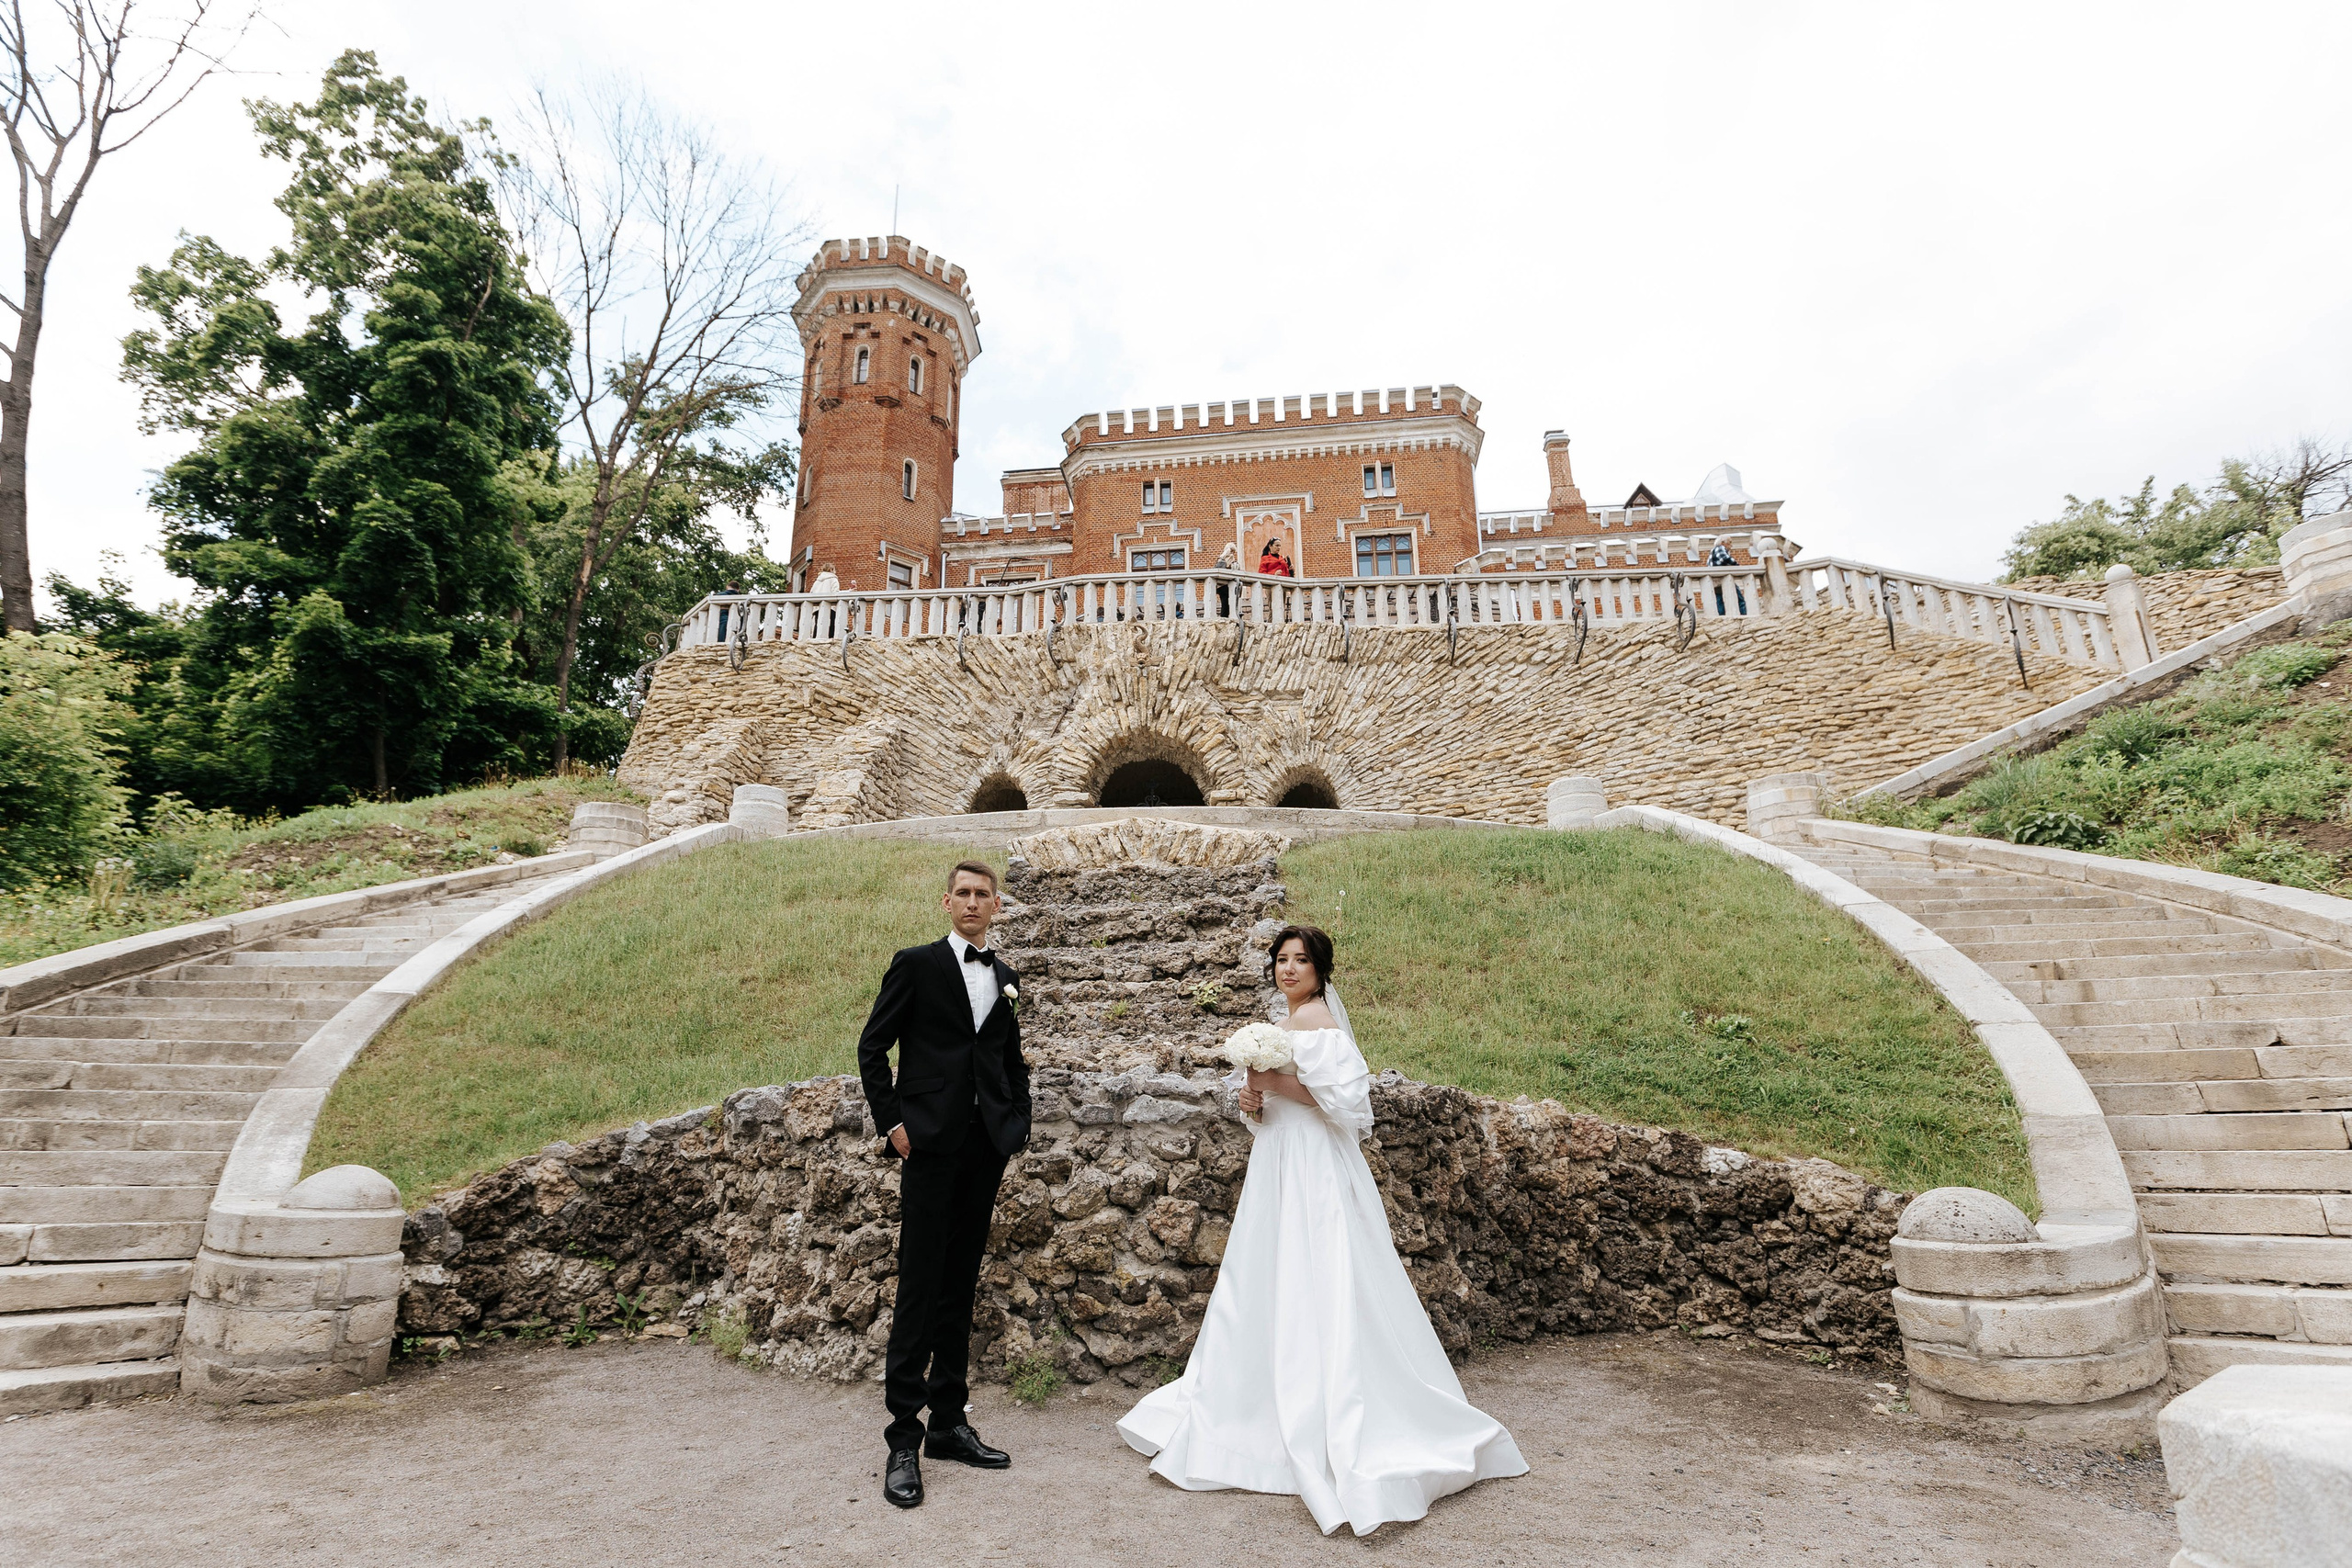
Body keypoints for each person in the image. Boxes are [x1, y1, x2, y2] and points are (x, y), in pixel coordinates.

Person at [1117, 925, 1527, 1535]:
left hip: (1313, 1165)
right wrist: (1253, 1103)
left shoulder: (1319, 1023)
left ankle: (1329, 1403)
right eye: (1281, 959)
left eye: (1300, 960)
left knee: (1321, 1270)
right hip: (1278, 1161)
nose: (1288, 969)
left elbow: (1341, 1100)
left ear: (1320, 969)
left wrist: (1268, 1081)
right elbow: (1275, 1105)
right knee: (1266, 1272)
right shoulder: (1284, 1023)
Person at [856, 861, 1032, 1510]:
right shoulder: (916, 964)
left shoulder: (1006, 976)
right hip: (928, 1145)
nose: (972, 902)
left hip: (986, 1146)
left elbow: (1008, 1058)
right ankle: (903, 1437)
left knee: (961, 1283)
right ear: (946, 902)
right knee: (920, 1287)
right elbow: (872, 1047)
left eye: (983, 894)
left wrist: (1016, 1122)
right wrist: (893, 1124)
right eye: (963, 893)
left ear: (996, 906)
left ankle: (949, 1424)